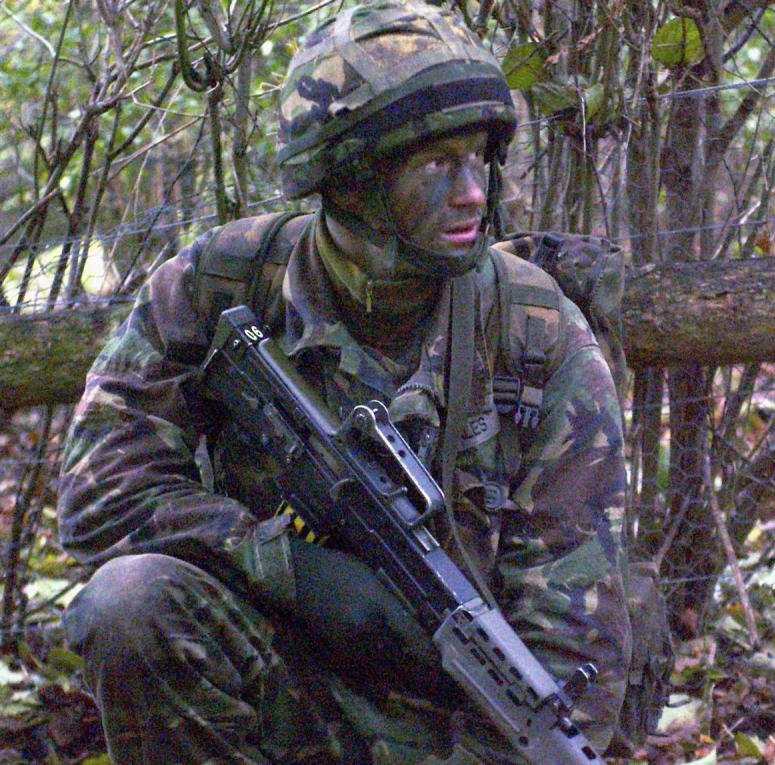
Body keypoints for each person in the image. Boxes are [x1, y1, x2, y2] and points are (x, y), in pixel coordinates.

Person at [57, 2, 635, 763]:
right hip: (281, 691)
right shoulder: (220, 285)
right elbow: (99, 500)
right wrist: (286, 564)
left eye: (478, 159)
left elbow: (571, 643)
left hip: (461, 720)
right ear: (352, 176)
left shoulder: (537, 332)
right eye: (437, 165)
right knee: (130, 603)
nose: (472, 193)